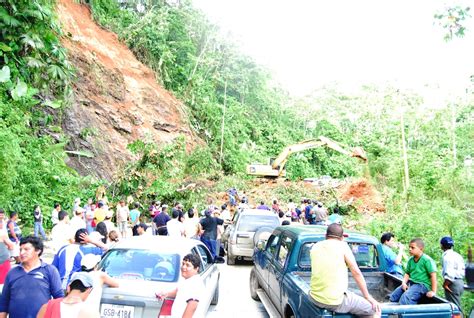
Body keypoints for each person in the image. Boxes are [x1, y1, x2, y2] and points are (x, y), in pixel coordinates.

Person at [309, 224, 380, 317]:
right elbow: (356, 273)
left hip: (314, 297)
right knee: (373, 310)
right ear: (342, 238)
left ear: (325, 236)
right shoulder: (343, 246)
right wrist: (368, 297)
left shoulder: (315, 246)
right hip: (334, 302)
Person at [0, 236, 64, 318]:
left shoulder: (49, 270)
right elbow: (4, 301)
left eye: (26, 249)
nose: (22, 253)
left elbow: (59, 297)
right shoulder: (12, 272)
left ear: (38, 250)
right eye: (20, 250)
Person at [389, 238, 437, 305]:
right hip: (411, 283)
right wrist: (403, 283)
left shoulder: (427, 260)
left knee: (406, 298)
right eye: (409, 247)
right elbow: (407, 273)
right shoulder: (411, 260)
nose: (410, 249)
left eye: (412, 248)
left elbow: (433, 276)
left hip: (422, 285)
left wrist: (433, 291)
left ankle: (406, 313)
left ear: (421, 249)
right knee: (394, 296)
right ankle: (393, 313)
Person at [156, 253, 205, 318]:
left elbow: (193, 305)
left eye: (188, 265)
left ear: (196, 269)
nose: (183, 267)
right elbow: (179, 291)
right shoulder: (188, 280)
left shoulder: (195, 285)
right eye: (183, 264)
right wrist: (166, 294)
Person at [440, 236, 465, 312]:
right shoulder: (457, 255)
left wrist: (445, 284)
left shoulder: (447, 257)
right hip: (460, 282)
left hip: (452, 283)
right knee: (456, 305)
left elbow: (450, 274)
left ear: (442, 245)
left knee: (455, 308)